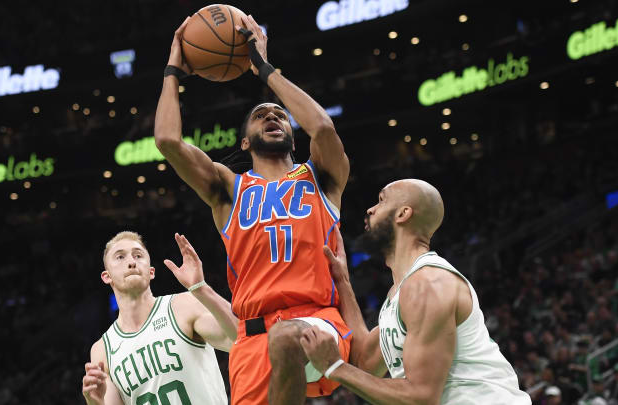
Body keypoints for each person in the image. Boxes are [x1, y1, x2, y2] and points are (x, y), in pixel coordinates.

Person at [153, 14, 351, 405]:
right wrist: (173, 70)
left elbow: (324, 129)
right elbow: (167, 141)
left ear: (293, 133)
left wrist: (263, 68)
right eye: (261, 115)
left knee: (288, 339)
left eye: (279, 115)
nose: (272, 117)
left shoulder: (320, 177)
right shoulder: (228, 188)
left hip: (316, 322)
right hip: (250, 337)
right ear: (245, 143)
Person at [299, 179, 532, 404]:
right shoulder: (402, 291)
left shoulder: (428, 284)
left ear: (403, 214)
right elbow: (365, 362)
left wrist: (335, 367)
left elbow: (421, 397)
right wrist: (342, 280)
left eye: (381, 200)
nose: (370, 209)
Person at [81, 231, 238, 405]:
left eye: (138, 255)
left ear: (151, 272)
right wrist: (95, 403)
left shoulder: (183, 306)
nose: (131, 262)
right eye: (120, 257)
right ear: (106, 276)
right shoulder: (102, 350)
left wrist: (201, 289)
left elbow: (241, 338)